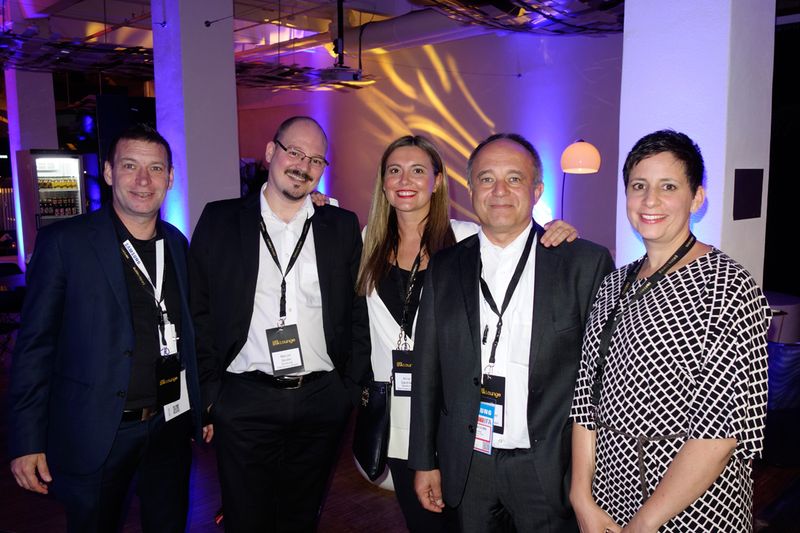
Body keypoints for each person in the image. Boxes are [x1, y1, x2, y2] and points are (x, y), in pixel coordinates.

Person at [359, 135, 577, 532]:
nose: (405, 179)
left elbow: (514, 235)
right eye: (394, 170)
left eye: (418, 170)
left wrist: (557, 232)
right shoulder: (364, 244)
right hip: (397, 418)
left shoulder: (463, 240)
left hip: (455, 419)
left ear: (438, 181)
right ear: (383, 182)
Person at [409, 132, 614, 532]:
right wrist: (424, 460)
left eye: (514, 179)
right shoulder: (445, 267)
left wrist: (590, 481)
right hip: (469, 464)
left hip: (548, 468)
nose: (499, 190)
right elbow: (426, 371)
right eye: (486, 179)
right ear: (471, 190)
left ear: (537, 190)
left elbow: (602, 381)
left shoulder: (582, 263)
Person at [569, 129, 771, 532]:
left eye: (669, 186)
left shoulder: (727, 287)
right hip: (610, 497)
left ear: (697, 197)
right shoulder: (615, 283)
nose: (650, 201)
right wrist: (581, 497)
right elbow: (584, 400)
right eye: (639, 186)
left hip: (693, 508)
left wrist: (644, 523)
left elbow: (720, 432)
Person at [8, 124, 202, 532]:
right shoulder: (66, 243)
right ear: (110, 172)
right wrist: (27, 441)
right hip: (98, 430)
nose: (143, 180)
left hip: (169, 424)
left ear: (169, 177)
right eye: (131, 166)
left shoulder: (177, 243)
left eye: (155, 168)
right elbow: (34, 347)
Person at [189, 115, 371, 532]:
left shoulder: (341, 226)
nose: (303, 165)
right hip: (244, 398)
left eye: (316, 159)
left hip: (321, 398)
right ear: (271, 153)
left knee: (302, 514)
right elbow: (197, 311)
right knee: (245, 516)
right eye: (294, 152)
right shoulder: (219, 220)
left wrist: (348, 390)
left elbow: (358, 311)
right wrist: (212, 395)